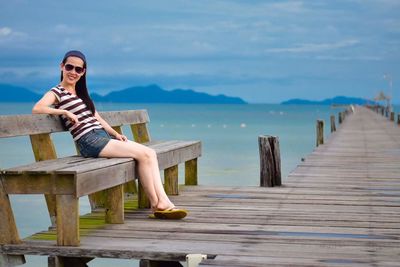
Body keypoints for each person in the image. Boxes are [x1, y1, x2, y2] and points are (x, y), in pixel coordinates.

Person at [32, 50, 187, 219]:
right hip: (88, 140)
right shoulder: (57, 92)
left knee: (150, 153)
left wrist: (115, 133)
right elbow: (37, 108)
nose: (73, 72)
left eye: (79, 69)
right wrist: (64, 112)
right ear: (62, 66)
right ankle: (158, 203)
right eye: (70, 67)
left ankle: (161, 202)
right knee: (144, 154)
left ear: (83, 72)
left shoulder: (82, 94)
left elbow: (97, 118)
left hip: (101, 136)